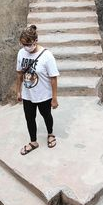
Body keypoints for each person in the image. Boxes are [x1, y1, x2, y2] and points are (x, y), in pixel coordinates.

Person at [16, 24, 59, 155]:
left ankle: (50, 134)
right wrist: (18, 91)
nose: (26, 47)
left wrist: (54, 98)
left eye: (28, 44)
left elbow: (53, 78)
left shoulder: (47, 56)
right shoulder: (21, 53)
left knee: (46, 115)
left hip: (44, 95)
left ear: (36, 41)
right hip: (28, 94)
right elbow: (19, 74)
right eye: (23, 44)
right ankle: (33, 142)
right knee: (29, 118)